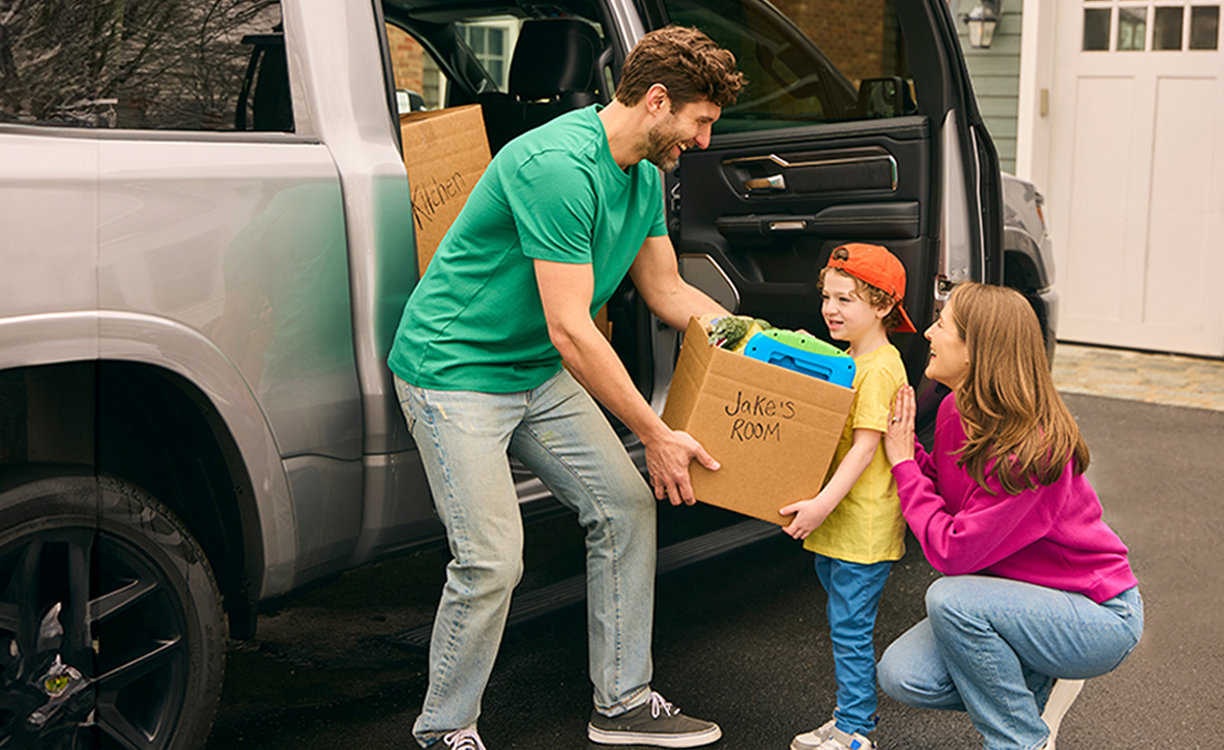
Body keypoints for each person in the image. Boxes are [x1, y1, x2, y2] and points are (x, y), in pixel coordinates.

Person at [385, 26, 746, 750]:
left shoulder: (644, 175)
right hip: (455, 371)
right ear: (655, 101)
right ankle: (443, 729)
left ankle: (622, 701)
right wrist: (655, 433)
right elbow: (572, 330)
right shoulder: (558, 167)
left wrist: (758, 341)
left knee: (622, 508)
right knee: (491, 557)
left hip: (532, 372)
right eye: (700, 121)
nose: (703, 141)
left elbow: (669, 290)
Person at [874, 283, 1145, 750]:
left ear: (975, 350)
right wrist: (902, 444)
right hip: (1015, 601)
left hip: (1097, 614)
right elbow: (939, 490)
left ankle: (1021, 740)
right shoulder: (955, 409)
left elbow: (952, 552)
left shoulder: (1031, 451)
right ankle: (1040, 681)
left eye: (942, 324)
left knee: (951, 599)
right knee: (903, 675)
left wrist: (901, 464)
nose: (929, 332)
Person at [777, 243, 918, 750]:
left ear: (882, 306)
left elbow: (864, 449)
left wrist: (818, 506)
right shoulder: (848, 359)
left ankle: (856, 730)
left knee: (850, 630)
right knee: (843, 624)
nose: (831, 310)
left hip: (861, 526)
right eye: (828, 297)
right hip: (841, 524)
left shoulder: (880, 367)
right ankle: (845, 718)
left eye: (847, 300)